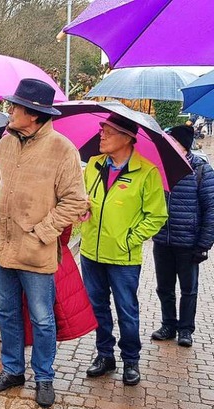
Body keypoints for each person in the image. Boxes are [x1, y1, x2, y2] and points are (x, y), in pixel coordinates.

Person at [0, 78, 87, 408]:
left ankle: (44, 377)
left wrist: (44, 231)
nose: (10, 111)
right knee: (7, 313)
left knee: (43, 319)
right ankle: (12, 370)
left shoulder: (62, 150)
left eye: (16, 107)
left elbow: (75, 201)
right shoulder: (8, 142)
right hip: (2, 246)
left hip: (36, 251)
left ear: (34, 114)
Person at [80, 113, 167, 387]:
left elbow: (156, 216)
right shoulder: (93, 165)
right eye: (101, 130)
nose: (101, 135)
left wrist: (129, 239)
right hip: (91, 253)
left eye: (108, 131)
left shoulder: (147, 172)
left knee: (126, 310)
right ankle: (104, 355)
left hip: (122, 257)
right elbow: (80, 198)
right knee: (97, 309)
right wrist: (80, 209)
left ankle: (131, 360)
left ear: (128, 138)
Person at [151, 125, 214, 347]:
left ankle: (186, 330)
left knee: (189, 289)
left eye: (172, 142)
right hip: (163, 240)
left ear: (183, 146)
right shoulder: (159, 169)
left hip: (188, 243)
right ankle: (169, 324)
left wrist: (204, 243)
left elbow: (211, 210)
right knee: (164, 287)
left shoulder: (201, 171)